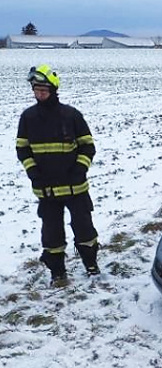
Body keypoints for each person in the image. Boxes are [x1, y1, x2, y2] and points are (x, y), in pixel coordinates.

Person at [16, 64, 100, 286]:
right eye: (36, 90)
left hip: (76, 189)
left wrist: (80, 169)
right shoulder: (28, 117)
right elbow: (22, 149)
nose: (39, 94)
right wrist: (33, 171)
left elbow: (88, 146)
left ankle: (91, 265)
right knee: (52, 235)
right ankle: (58, 273)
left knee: (85, 230)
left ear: (53, 90)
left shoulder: (71, 115)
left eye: (43, 90)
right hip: (46, 190)